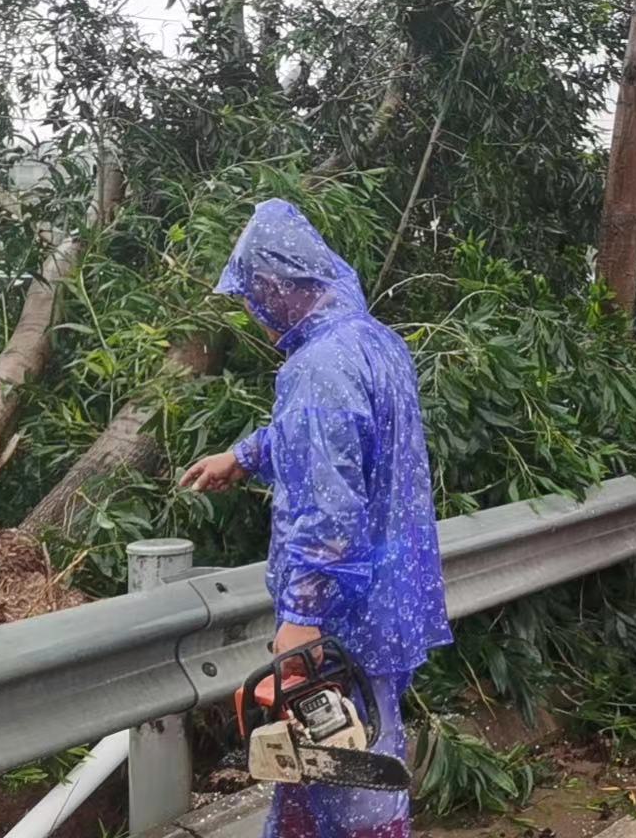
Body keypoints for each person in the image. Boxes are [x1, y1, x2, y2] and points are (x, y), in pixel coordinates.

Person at [178, 198, 449, 838]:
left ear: (276, 285)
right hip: (383, 596)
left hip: (341, 614)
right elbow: (327, 440)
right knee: (330, 759)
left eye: (253, 294)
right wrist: (245, 456)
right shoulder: (373, 342)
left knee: (347, 771)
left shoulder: (318, 367)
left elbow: (330, 511)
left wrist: (301, 618)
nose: (254, 309)